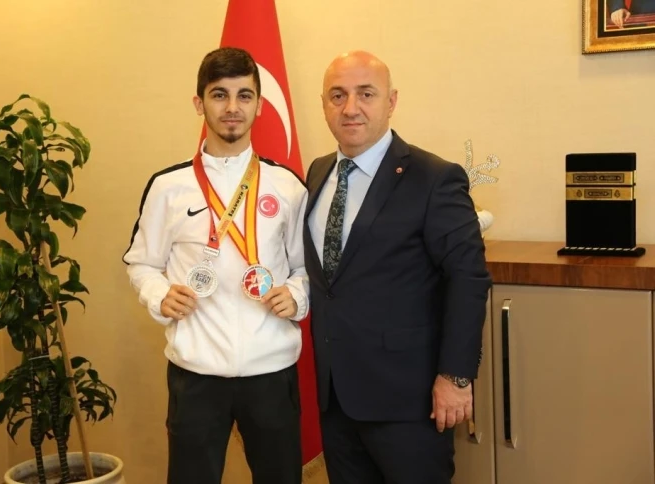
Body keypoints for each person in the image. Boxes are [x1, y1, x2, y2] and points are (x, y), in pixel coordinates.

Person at [303, 50, 491, 484]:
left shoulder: (434, 178)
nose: (351, 107)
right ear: (324, 105)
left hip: (410, 403)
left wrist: (455, 376)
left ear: (391, 102)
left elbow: (468, 280)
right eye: (338, 95)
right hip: (335, 399)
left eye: (366, 93)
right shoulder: (317, 172)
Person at [123, 47, 309, 484]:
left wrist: (297, 295)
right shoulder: (168, 187)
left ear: (259, 106)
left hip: (271, 370)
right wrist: (159, 294)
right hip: (196, 373)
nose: (232, 108)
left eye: (244, 95)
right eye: (219, 95)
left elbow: (307, 270)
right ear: (199, 103)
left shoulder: (287, 186)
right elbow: (141, 263)